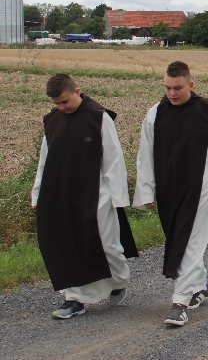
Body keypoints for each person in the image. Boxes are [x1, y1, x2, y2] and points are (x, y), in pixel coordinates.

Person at [134, 61, 208, 327]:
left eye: (178, 88)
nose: (172, 93)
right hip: (168, 189)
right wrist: (146, 190)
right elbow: (145, 155)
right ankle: (200, 285)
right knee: (178, 238)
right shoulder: (155, 114)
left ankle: (180, 302)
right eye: (168, 88)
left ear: (191, 85)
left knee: (190, 242)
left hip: (199, 188)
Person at [32, 74, 136, 320]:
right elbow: (45, 161)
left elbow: (113, 159)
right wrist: (38, 193)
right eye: (57, 103)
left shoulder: (98, 117)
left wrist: (118, 199)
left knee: (108, 247)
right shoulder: (52, 121)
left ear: (77, 92)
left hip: (98, 193)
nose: (61, 107)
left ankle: (118, 279)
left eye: (65, 101)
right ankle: (74, 298)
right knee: (67, 245)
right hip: (62, 194)